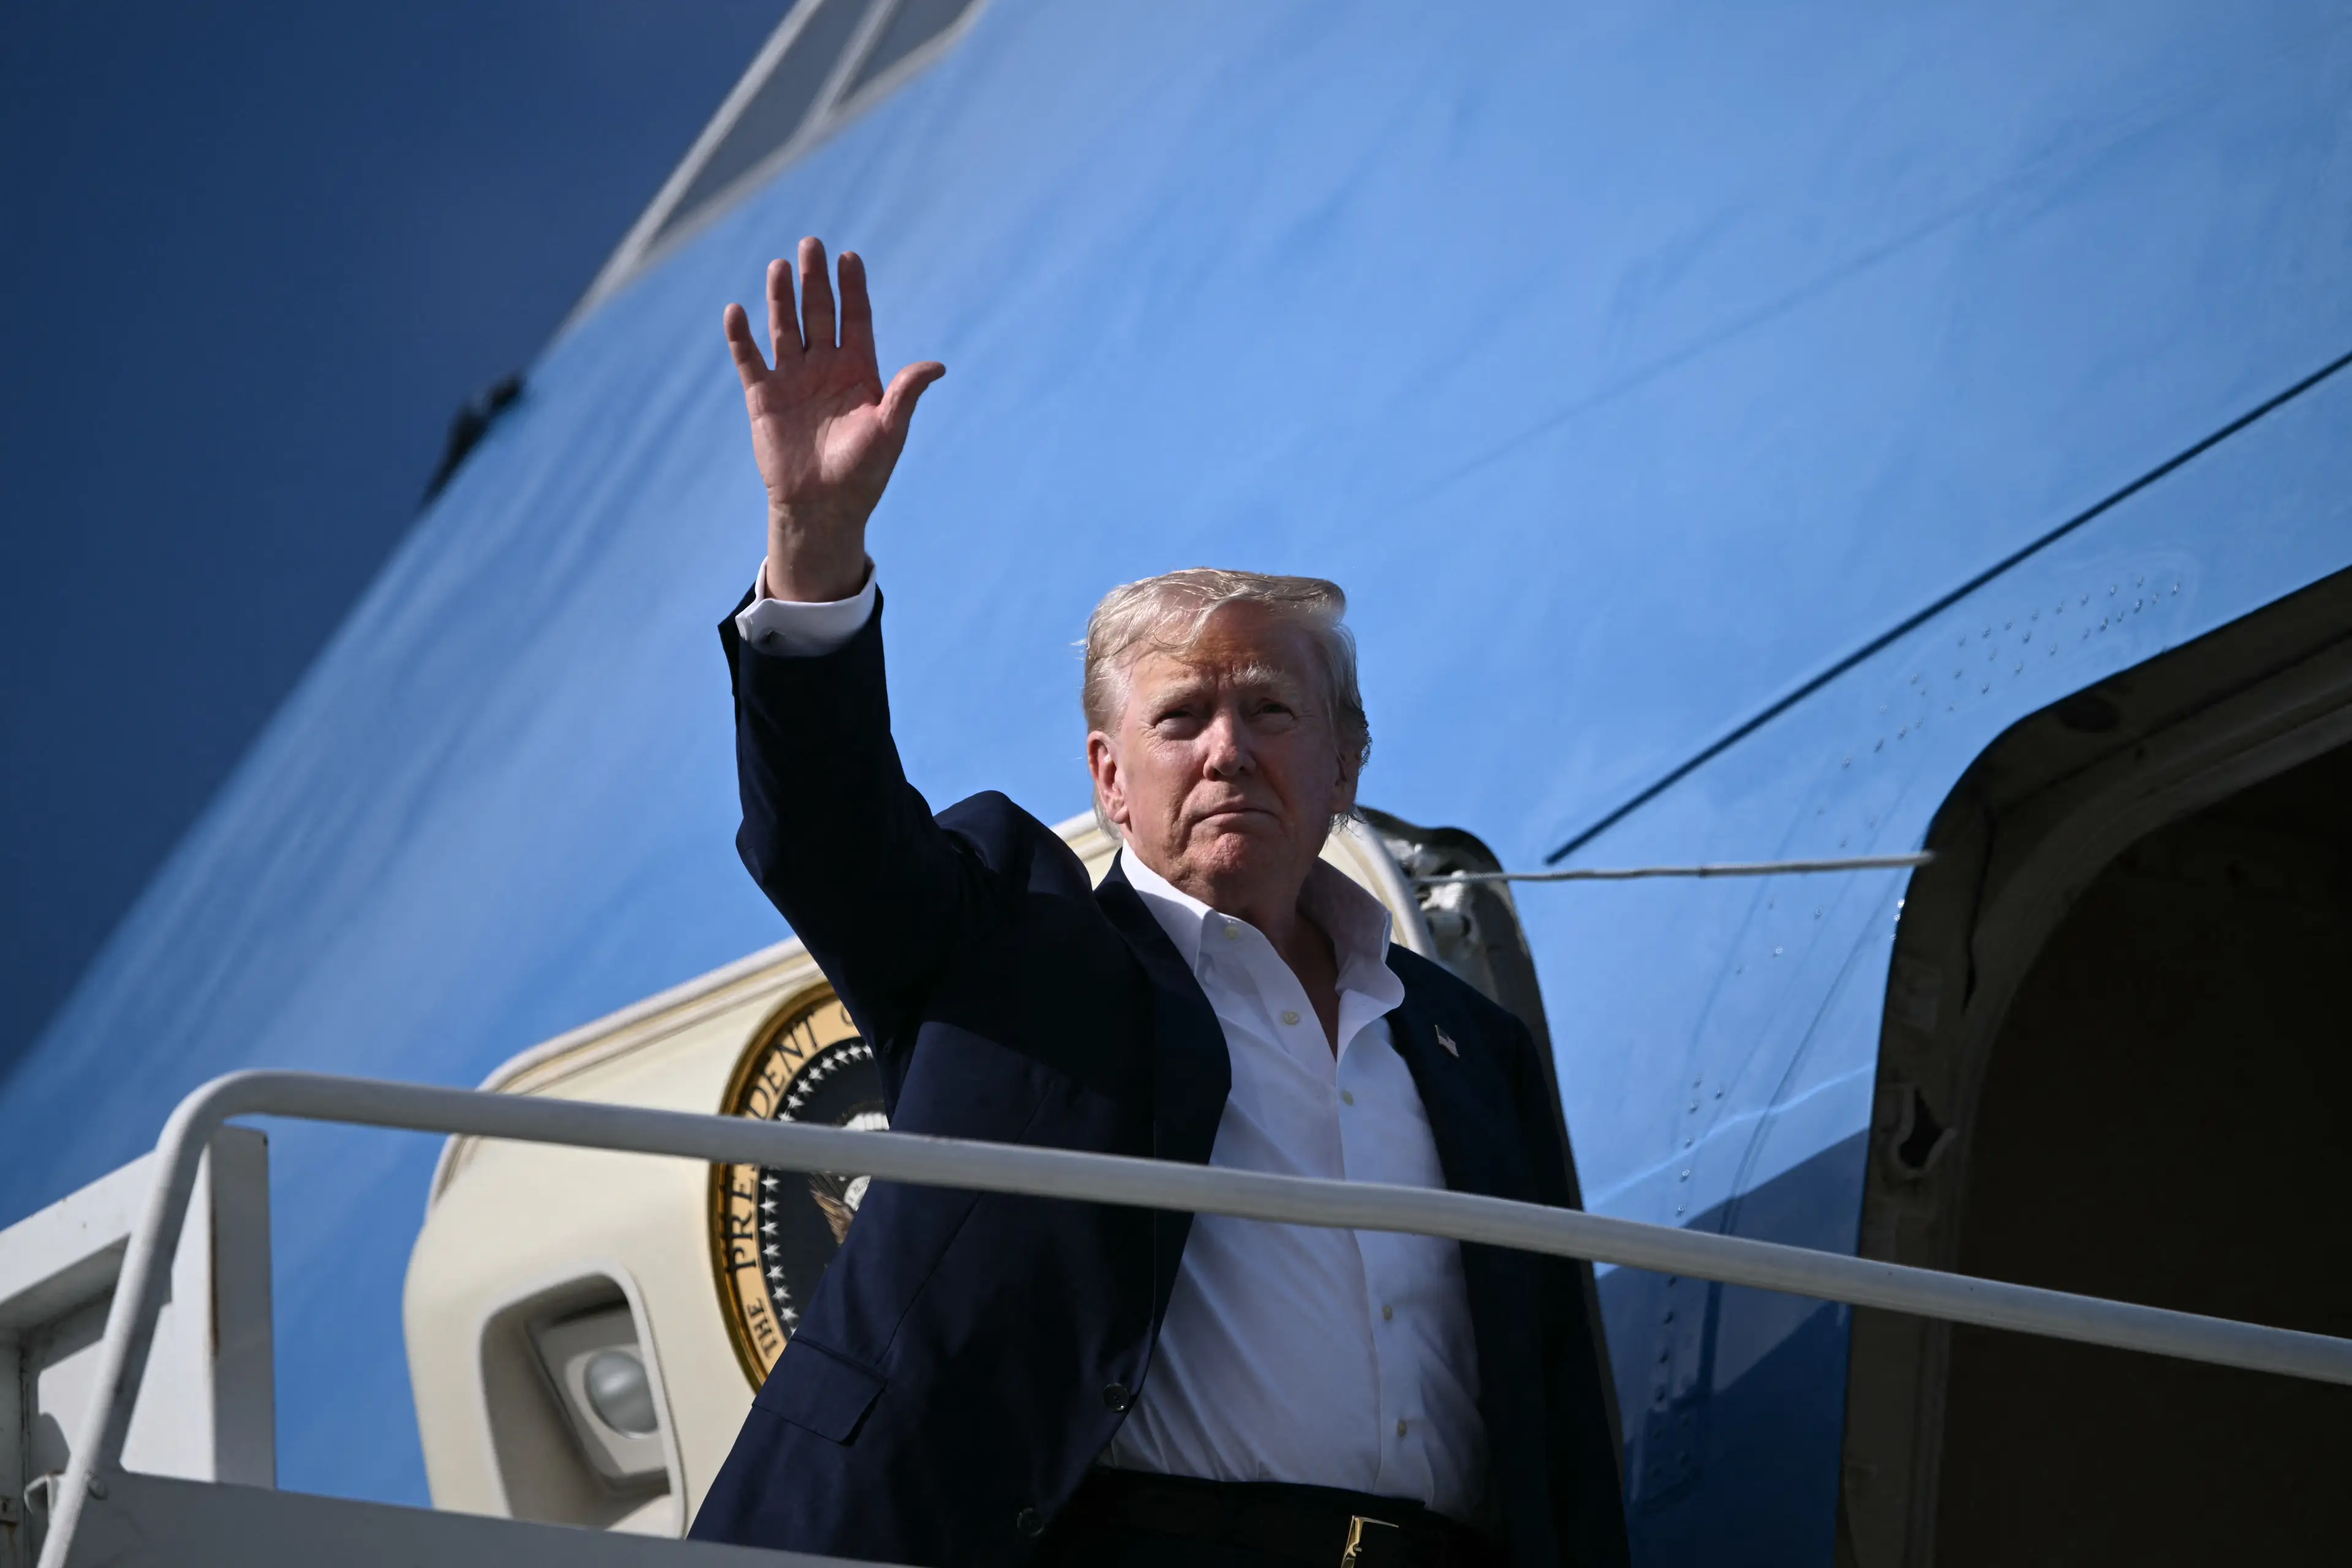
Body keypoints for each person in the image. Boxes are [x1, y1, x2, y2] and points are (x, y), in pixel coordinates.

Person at [689, 238, 1630, 1568]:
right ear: (1109, 779)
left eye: (1271, 711)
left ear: (1348, 763)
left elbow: (1558, 1412)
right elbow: (826, 834)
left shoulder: (1472, 1045)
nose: (1227, 751)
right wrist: (814, 544)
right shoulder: (1006, 946)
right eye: (1181, 718)